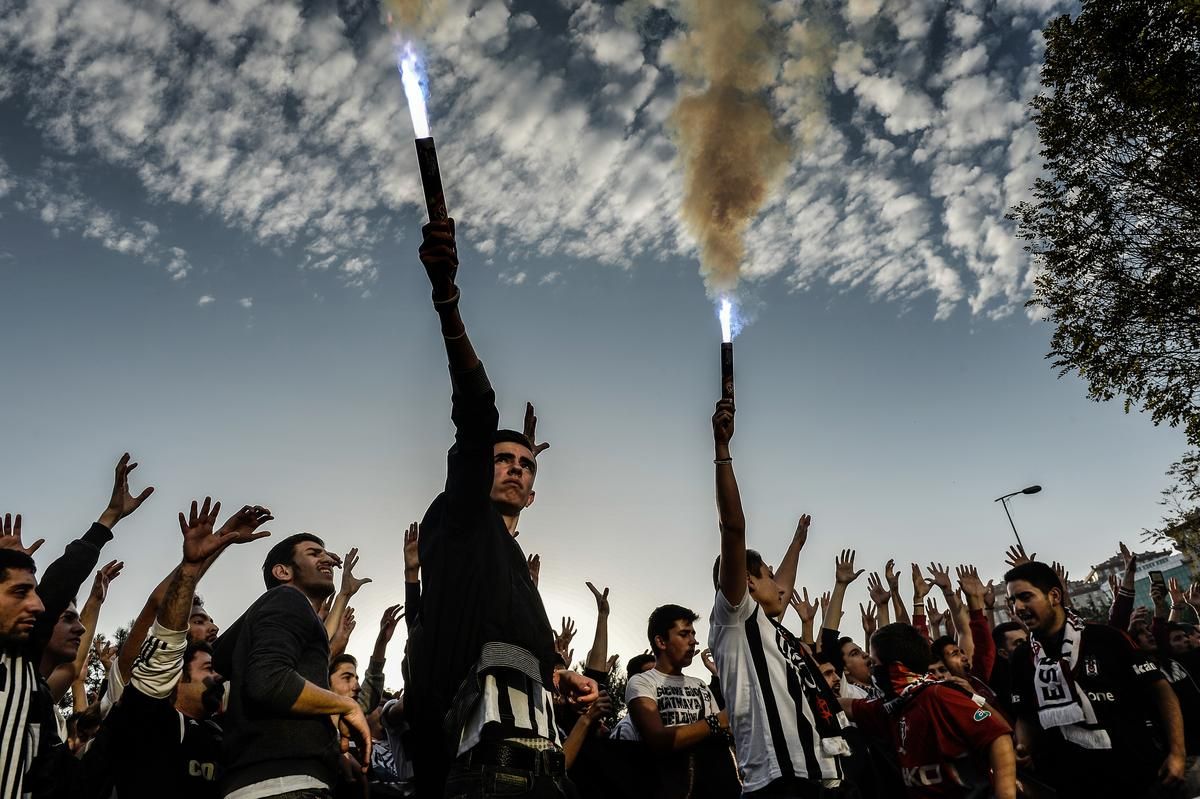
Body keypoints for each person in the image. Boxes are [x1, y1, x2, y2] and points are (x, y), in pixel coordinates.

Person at [405, 217, 597, 798]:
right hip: (479, 771)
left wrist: (558, 671)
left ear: (534, 492)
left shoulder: (513, 567)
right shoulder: (460, 518)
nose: (515, 467)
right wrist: (447, 302)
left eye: (526, 463)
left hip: (541, 769)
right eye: (502, 459)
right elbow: (476, 413)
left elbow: (521, 640)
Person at [708, 398, 854, 797]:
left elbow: (782, 591)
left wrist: (796, 545)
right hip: (778, 781)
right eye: (769, 576)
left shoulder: (769, 629)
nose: (781, 586)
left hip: (816, 774)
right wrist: (723, 452)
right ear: (748, 584)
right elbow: (733, 528)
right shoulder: (735, 620)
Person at [86, 498, 272, 799]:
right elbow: (160, 604)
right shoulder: (137, 683)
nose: (213, 628)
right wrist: (216, 542)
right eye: (197, 620)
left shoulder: (212, 715)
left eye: (211, 621)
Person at [1, 454, 153, 798]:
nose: (37, 604)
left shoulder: (28, 686)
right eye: (20, 592)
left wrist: (111, 516)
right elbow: (59, 583)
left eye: (35, 593)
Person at [1005, 560, 1186, 798]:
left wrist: (1177, 753)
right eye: (1012, 601)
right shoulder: (1022, 657)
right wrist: (1023, 746)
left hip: (1138, 776)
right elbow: (1026, 716)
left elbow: (1160, 690)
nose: (1018, 607)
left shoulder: (1107, 638)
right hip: (1071, 784)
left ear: (1054, 596)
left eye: (1025, 597)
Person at [213, 531, 370, 799]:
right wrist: (346, 705)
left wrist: (344, 594)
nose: (327, 559)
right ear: (283, 571)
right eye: (314, 553)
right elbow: (269, 682)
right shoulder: (288, 597)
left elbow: (317, 643)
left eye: (325, 553)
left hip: (266, 784)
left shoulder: (275, 610)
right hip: (285, 786)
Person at [838, 623, 1016, 799]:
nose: (872, 672)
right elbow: (847, 706)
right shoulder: (892, 707)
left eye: (875, 664)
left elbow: (998, 736)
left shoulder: (938, 695)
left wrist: (1005, 793)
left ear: (895, 667)